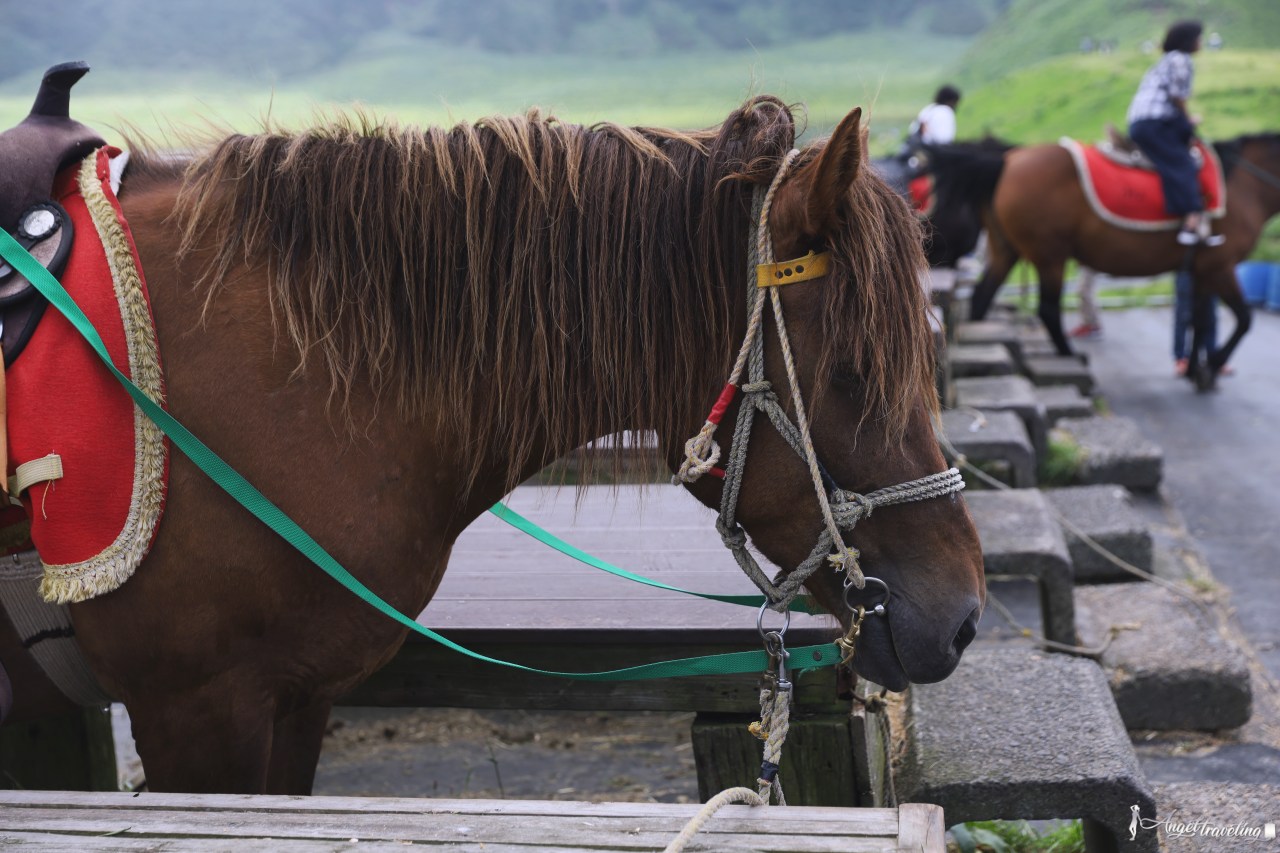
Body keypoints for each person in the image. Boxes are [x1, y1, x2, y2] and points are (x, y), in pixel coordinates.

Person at [1126, 20, 1224, 247]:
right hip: (1156, 122)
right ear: (1189, 41)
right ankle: (1191, 223)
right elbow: (1177, 96)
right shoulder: (1182, 60)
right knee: (1183, 164)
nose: (1201, 43)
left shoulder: (1164, 61)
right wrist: (1188, 119)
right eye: (1198, 38)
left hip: (1142, 121)